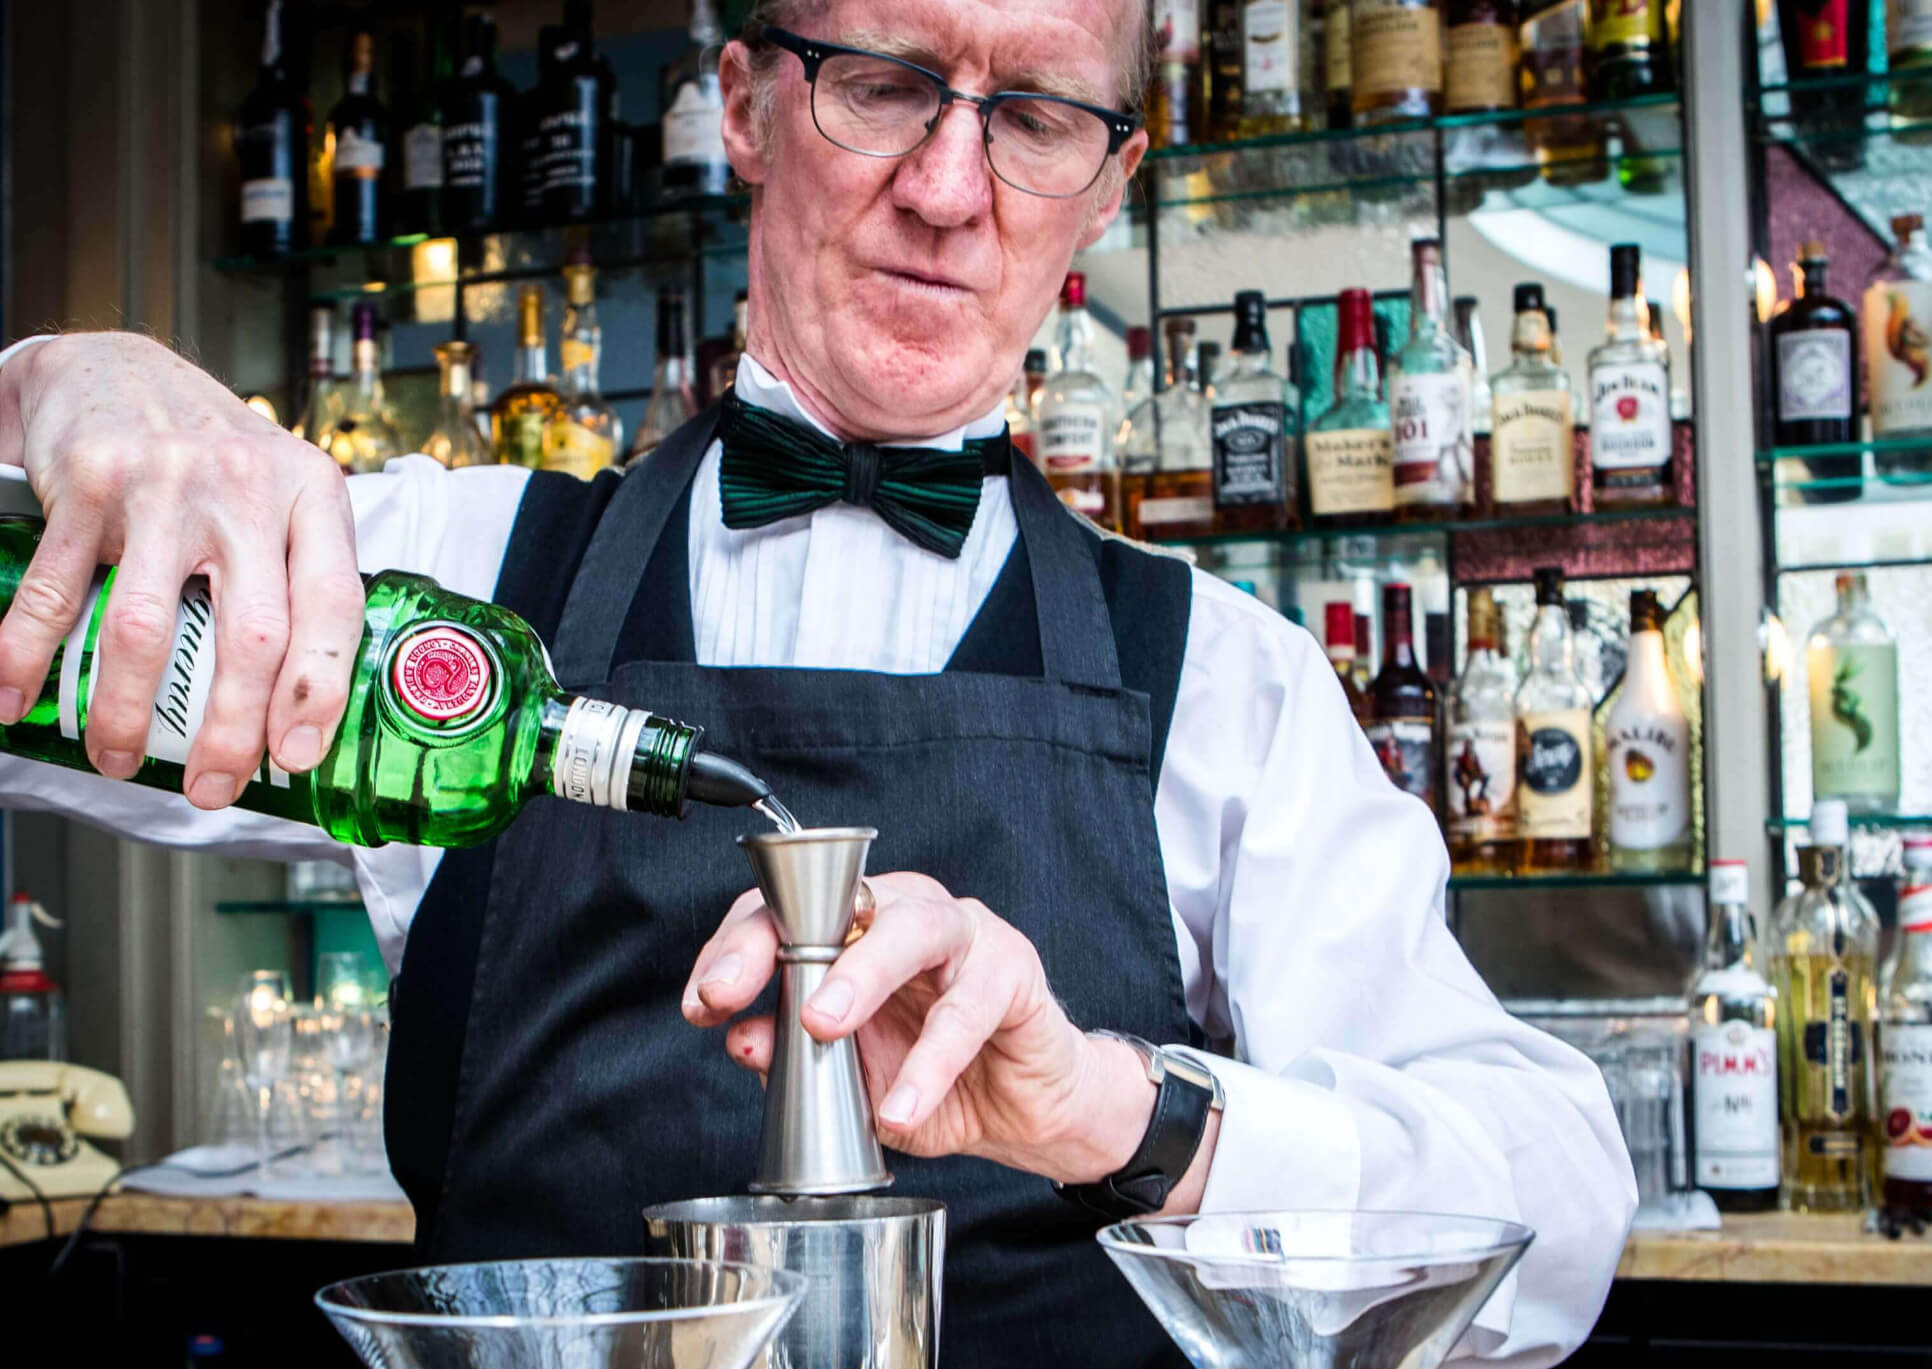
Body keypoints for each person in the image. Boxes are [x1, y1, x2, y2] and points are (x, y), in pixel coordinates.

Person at [0, 1, 1635, 1363]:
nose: (948, 186)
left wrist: (1126, 1117)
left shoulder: (1226, 680)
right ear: (748, 107)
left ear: (1111, 183)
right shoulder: (435, 577)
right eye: (885, 86)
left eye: (1039, 117)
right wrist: (55, 385)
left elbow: (1559, 1215)